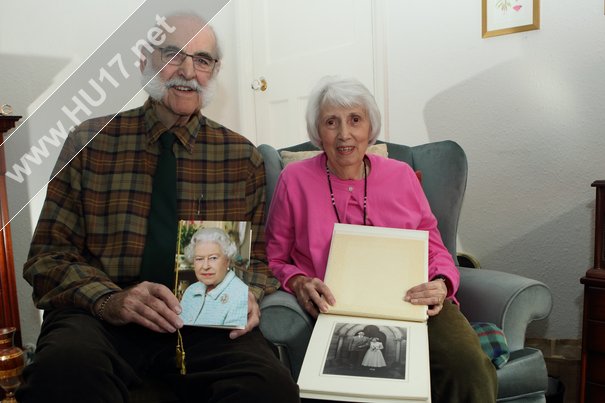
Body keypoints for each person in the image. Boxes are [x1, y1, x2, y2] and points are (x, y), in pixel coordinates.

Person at [18, 13, 298, 402]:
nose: (187, 71)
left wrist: (249, 292)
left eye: (203, 60)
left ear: (214, 71)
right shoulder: (88, 142)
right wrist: (112, 300)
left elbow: (261, 260)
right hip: (102, 317)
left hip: (204, 324)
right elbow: (47, 256)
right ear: (144, 60)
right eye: (173, 54)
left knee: (270, 389)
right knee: (63, 373)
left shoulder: (240, 157)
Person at [265, 76, 497, 402]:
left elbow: (432, 242)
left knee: (468, 366)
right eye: (331, 122)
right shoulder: (294, 180)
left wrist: (443, 282)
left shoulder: (400, 175)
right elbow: (272, 258)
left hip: (411, 301)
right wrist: (299, 282)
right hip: (336, 309)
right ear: (318, 132)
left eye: (355, 120)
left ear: (370, 128)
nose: (344, 134)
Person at [179, 227, 248, 328]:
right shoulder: (191, 290)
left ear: (227, 260)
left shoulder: (241, 295)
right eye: (199, 259)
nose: (205, 266)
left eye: (213, 258)